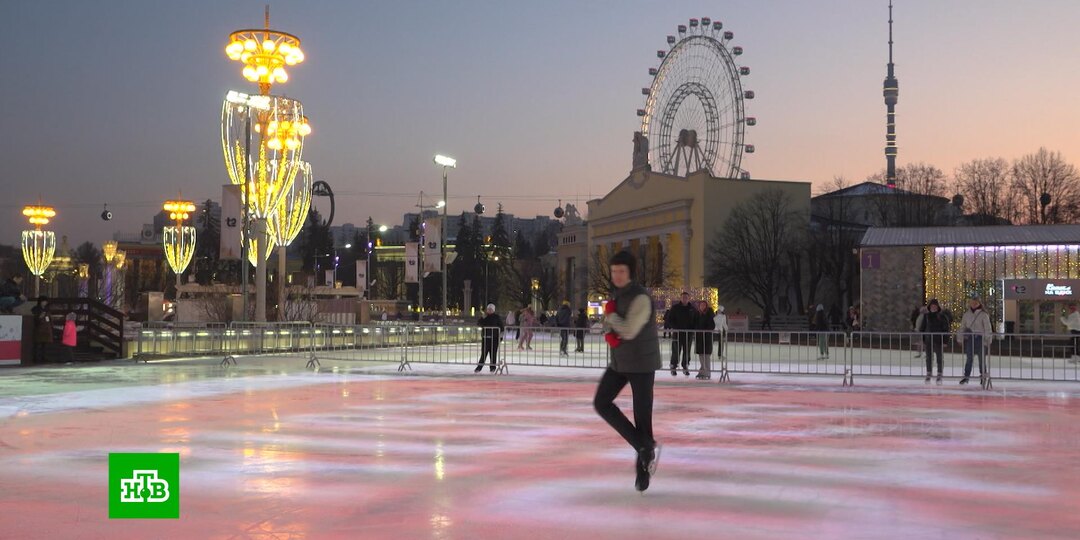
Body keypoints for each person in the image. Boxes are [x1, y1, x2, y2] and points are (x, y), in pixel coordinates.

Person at [593, 250, 661, 492]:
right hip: (621, 362)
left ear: (630, 272)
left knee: (643, 419)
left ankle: (643, 471)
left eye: (621, 271)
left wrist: (610, 316)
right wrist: (608, 325)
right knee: (601, 402)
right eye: (613, 271)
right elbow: (609, 326)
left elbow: (630, 330)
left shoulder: (641, 297)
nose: (617, 276)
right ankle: (644, 446)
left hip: (642, 364)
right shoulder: (617, 295)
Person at [958, 296, 993, 385]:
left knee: (981, 359)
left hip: (981, 339)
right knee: (969, 359)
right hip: (970, 339)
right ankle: (966, 377)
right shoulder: (966, 314)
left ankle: (983, 376)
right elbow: (962, 327)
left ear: (979, 303)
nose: (973, 304)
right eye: (972, 303)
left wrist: (987, 340)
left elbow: (987, 328)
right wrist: (960, 338)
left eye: (975, 303)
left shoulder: (983, 315)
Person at [919, 299, 949, 384]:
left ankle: (939, 373)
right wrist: (923, 339)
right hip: (928, 339)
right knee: (928, 357)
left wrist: (945, 341)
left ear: (937, 306)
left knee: (939, 357)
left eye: (935, 305)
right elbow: (923, 328)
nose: (933, 307)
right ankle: (929, 373)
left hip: (938, 340)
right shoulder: (926, 316)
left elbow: (946, 329)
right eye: (932, 305)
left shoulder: (942, 316)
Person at [667, 292, 696, 376]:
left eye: (686, 297)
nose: (684, 299)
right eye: (683, 297)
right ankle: (673, 366)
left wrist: (692, 329)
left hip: (688, 334)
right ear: (680, 298)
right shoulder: (675, 308)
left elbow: (695, 320)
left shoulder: (692, 309)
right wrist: (675, 328)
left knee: (687, 351)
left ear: (689, 298)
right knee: (676, 351)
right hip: (677, 333)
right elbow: (670, 319)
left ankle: (685, 366)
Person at [475, 304, 504, 373]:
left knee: (493, 353)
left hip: (494, 338)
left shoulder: (497, 317)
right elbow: (479, 323)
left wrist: (500, 337)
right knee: (484, 353)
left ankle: (492, 367)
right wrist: (482, 318)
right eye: (488, 309)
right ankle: (479, 367)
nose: (489, 310)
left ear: (493, 310)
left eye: (491, 309)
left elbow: (501, 327)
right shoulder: (485, 316)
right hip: (485, 338)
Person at [693, 300, 716, 379]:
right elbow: (695, 324)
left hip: (707, 338)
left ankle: (707, 372)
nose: (702, 306)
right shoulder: (697, 314)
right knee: (701, 355)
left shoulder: (709, 314)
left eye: (704, 305)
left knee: (706, 356)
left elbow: (712, 325)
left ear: (706, 306)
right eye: (701, 305)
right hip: (699, 338)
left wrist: (705, 331)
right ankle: (702, 371)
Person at [31, 296, 52, 363]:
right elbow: (34, 320)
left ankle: (44, 358)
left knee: (45, 345)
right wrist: (39, 317)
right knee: (38, 345)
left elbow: (50, 319)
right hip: (39, 328)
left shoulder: (47, 309)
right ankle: (36, 358)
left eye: (45, 301)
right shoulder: (36, 309)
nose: (44, 303)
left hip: (46, 329)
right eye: (43, 301)